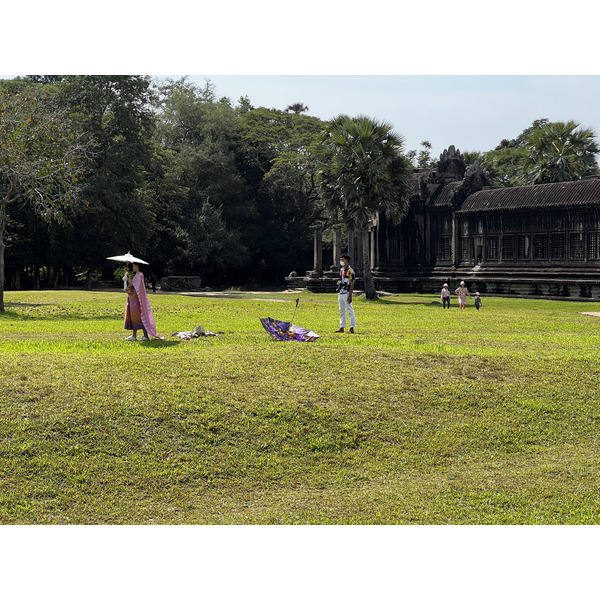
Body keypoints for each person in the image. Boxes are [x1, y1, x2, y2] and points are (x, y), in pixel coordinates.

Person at [124, 262, 159, 341]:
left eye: (133, 265)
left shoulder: (140, 275)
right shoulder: (138, 275)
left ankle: (145, 335)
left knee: (139, 316)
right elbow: (133, 284)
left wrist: (127, 274)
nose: (133, 267)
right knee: (134, 316)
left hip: (137, 299)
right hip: (134, 298)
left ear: (137, 266)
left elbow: (133, 285)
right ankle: (134, 335)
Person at [334, 253, 356, 334]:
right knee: (341, 311)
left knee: (350, 310)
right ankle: (341, 327)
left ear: (346, 260)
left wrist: (350, 295)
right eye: (341, 260)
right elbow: (341, 279)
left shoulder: (350, 271)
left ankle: (351, 328)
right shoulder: (341, 270)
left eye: (342, 259)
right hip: (341, 292)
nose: (341, 261)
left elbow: (352, 283)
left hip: (346, 293)